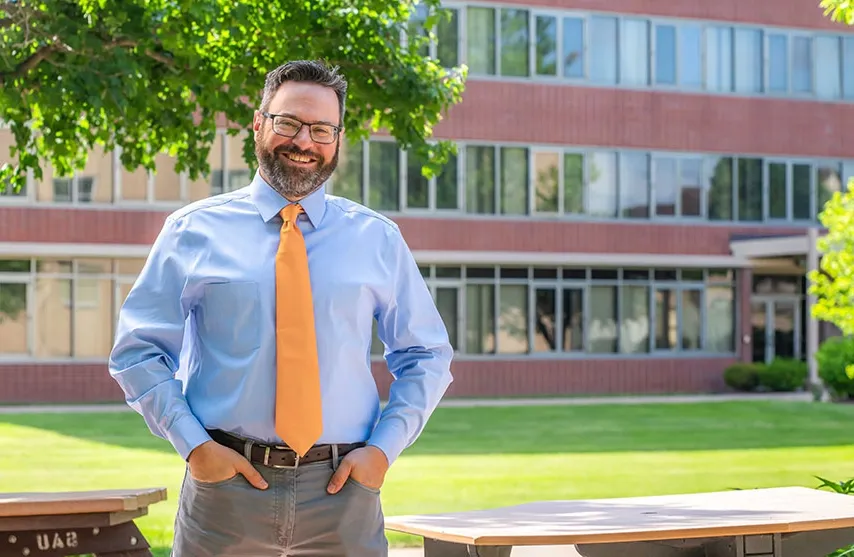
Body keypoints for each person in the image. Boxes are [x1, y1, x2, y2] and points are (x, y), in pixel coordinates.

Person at [108, 59, 454, 557]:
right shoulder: (191, 231)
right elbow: (137, 353)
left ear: (338, 137)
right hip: (224, 492)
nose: (304, 142)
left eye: (321, 129)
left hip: (344, 494)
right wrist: (196, 448)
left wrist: (382, 452)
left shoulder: (377, 239)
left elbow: (426, 354)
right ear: (258, 123)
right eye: (288, 123)